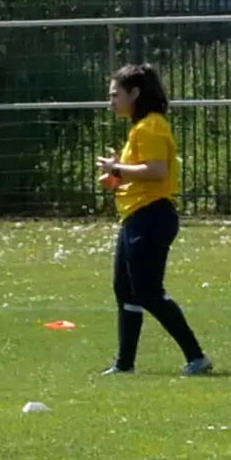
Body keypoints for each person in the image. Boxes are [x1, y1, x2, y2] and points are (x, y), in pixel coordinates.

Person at [93, 64, 209, 376]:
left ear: (134, 93)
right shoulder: (139, 128)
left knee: (147, 291)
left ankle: (197, 357)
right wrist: (117, 176)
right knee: (125, 290)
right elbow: (141, 172)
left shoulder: (151, 126)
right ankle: (124, 364)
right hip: (134, 216)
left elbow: (157, 171)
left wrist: (118, 169)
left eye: (115, 95)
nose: (111, 102)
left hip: (151, 216)